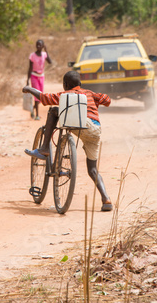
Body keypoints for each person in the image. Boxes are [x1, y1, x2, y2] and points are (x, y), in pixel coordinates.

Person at [23, 70, 113, 211]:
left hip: (81, 123)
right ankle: (106, 199)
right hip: (95, 129)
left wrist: (29, 89)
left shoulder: (65, 95)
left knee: (54, 111)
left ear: (65, 84)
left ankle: (45, 147)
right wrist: (96, 98)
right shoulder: (89, 93)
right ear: (80, 83)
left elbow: (44, 98)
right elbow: (107, 100)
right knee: (93, 169)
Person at [26, 39, 52, 120]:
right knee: (36, 96)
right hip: (34, 76)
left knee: (40, 96)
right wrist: (27, 79)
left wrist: (46, 50)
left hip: (41, 76)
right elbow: (29, 68)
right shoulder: (32, 56)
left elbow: (50, 62)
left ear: (42, 46)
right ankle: (37, 115)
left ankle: (33, 108)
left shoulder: (44, 54)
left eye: (40, 45)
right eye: (37, 45)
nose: (38, 46)